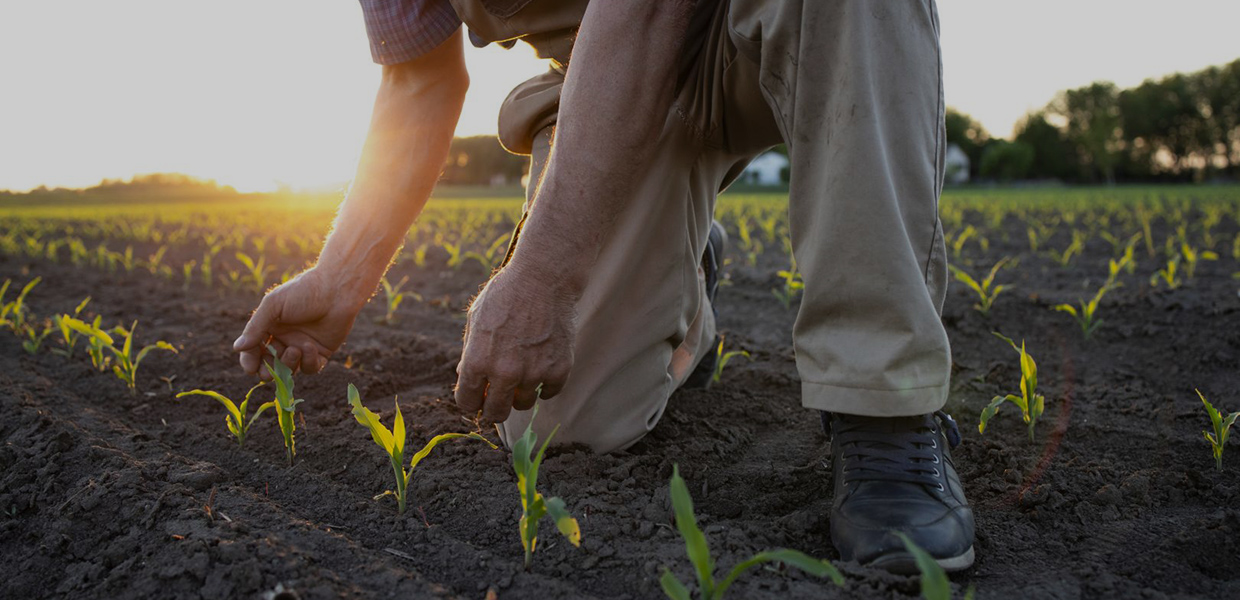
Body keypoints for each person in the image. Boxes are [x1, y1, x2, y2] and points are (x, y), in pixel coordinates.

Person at [232, 0, 974, 573]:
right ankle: (690, 288)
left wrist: (546, 272)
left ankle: (886, 415)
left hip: (756, 32)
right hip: (604, 94)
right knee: (558, 428)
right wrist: (340, 279)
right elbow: (418, 76)